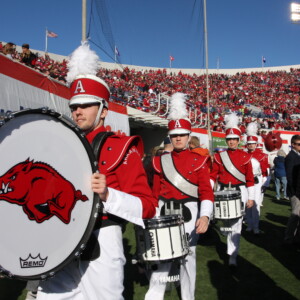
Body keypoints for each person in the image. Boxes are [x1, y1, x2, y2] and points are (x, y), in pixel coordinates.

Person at [36, 43, 157, 300]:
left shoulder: (121, 147)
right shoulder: (63, 145)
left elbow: (148, 206)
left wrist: (108, 195)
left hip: (102, 239)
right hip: (62, 237)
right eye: (74, 106)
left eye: (86, 104)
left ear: (104, 109)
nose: (77, 111)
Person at [145, 93, 214, 300]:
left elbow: (206, 191)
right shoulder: (160, 160)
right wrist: (153, 215)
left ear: (188, 135)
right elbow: (155, 192)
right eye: (174, 135)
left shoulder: (199, 160)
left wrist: (206, 216)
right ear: (170, 136)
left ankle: (188, 297)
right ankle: (153, 296)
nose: (178, 138)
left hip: (190, 214)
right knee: (162, 258)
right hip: (164, 212)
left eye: (182, 135)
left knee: (188, 258)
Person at [210, 113, 254, 267]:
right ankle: (229, 240)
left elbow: (249, 179)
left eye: (234, 139)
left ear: (239, 140)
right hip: (222, 192)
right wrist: (209, 192)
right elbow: (212, 176)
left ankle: (232, 256)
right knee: (226, 222)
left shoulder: (246, 157)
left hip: (240, 192)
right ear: (226, 140)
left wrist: (251, 197)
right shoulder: (219, 156)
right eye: (229, 139)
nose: (232, 142)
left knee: (236, 225)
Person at [245, 123, 268, 234]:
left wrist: (265, 184)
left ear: (256, 144)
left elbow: (265, 172)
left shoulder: (262, 155)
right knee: (247, 204)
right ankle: (249, 224)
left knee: (256, 204)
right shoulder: (244, 155)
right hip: (246, 182)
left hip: (257, 182)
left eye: (252, 144)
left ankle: (256, 226)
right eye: (249, 144)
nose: (250, 146)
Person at [284, 134, 300, 246]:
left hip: (297, 190)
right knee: (295, 215)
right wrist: (295, 192)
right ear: (293, 145)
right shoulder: (291, 157)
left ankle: (296, 238)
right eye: (299, 144)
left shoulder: (297, 155)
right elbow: (290, 177)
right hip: (295, 192)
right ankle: (288, 238)